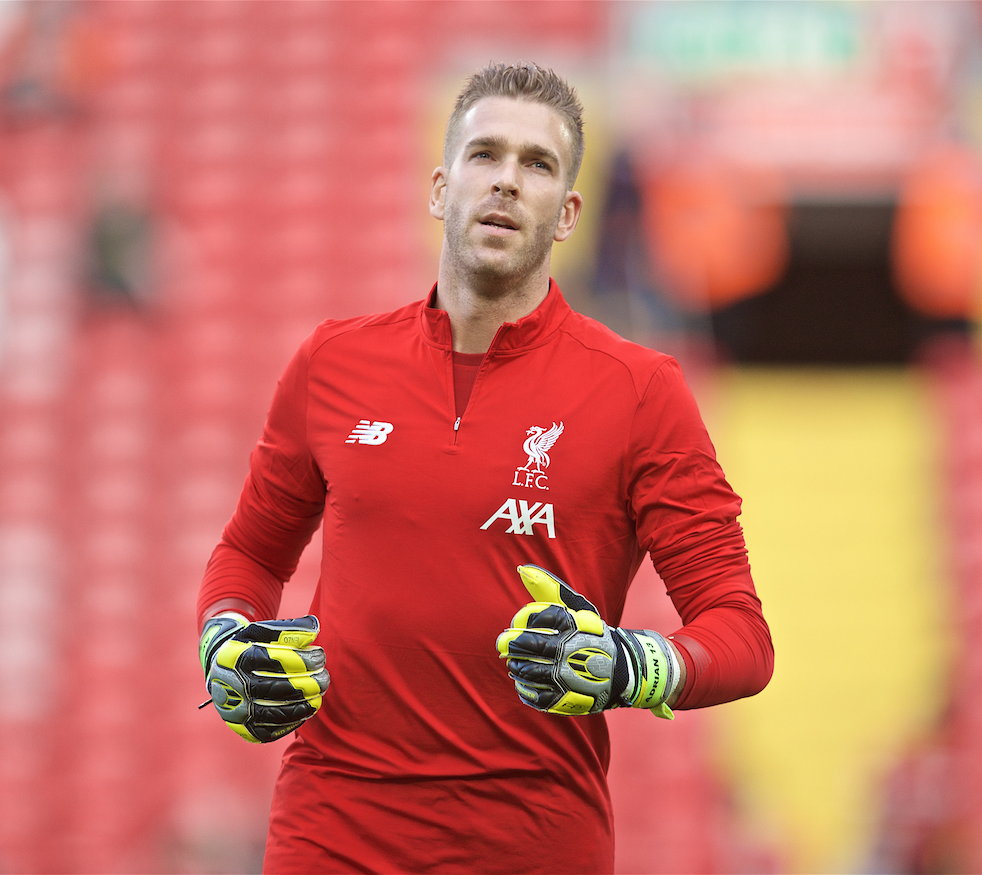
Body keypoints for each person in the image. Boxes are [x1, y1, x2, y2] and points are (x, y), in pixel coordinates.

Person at [196, 62, 774, 874]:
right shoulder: (332, 361)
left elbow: (742, 634)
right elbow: (249, 555)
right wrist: (225, 642)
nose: (507, 180)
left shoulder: (643, 392)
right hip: (333, 832)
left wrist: (634, 665)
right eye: (485, 155)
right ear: (440, 187)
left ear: (568, 211)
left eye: (537, 164)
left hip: (533, 841)